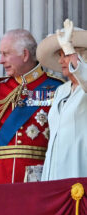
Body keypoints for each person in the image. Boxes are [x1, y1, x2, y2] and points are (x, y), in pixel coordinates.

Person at [0, 29, 64, 186]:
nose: (1, 60)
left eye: (6, 54)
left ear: (25, 55)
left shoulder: (56, 89)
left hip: (39, 180)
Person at [37, 19, 87, 181]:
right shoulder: (61, 91)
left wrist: (69, 49)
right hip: (54, 174)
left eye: (64, 55)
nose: (60, 61)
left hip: (78, 170)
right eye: (60, 55)